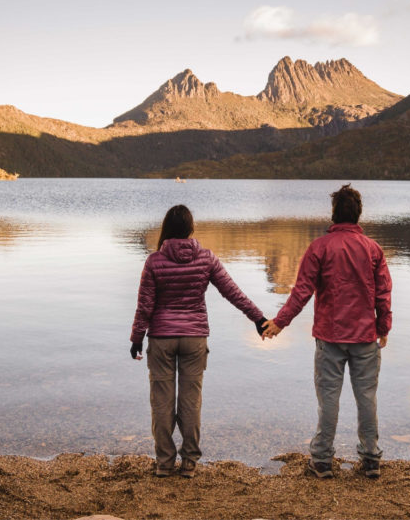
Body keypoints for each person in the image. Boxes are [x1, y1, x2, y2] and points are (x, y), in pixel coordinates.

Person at [262, 184, 392, 479]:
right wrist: (383, 327)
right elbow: (383, 293)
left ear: (334, 214)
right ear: (358, 215)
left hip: (330, 337)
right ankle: (371, 460)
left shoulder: (319, 248)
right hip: (365, 337)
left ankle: (321, 461)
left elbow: (301, 292)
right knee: (367, 398)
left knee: (329, 400)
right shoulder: (373, 249)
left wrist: (280, 323)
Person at [130, 204, 268, 478]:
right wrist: (258, 318)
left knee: (162, 402)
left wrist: (136, 338)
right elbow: (232, 291)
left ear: (167, 229)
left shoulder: (154, 261)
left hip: (161, 339)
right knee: (190, 401)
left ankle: (165, 463)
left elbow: (145, 306)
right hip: (195, 339)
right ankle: (190, 463)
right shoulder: (206, 258)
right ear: (191, 229)